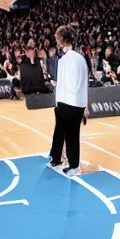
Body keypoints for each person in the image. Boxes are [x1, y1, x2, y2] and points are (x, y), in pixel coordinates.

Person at [48, 25, 88, 176]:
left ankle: (72, 165)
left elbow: (69, 84)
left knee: (70, 135)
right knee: (72, 135)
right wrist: (85, 105)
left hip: (67, 102)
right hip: (78, 103)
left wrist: (60, 102)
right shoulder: (81, 59)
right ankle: (67, 161)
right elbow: (84, 84)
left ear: (62, 40)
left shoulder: (65, 60)